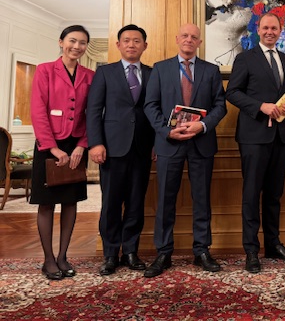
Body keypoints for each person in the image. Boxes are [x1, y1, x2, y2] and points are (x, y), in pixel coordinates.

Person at [143, 23, 227, 278]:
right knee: (166, 200)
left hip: (201, 143)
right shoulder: (161, 68)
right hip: (170, 143)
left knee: (201, 199)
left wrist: (202, 126)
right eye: (185, 36)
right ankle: (163, 252)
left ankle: (202, 251)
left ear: (199, 42)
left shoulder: (211, 71)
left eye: (194, 37)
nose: (189, 40)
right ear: (177, 39)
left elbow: (220, 106)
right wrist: (167, 131)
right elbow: (150, 106)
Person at [226, 12, 285, 273]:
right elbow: (232, 92)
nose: (270, 32)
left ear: (281, 30)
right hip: (253, 137)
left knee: (274, 194)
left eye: (275, 28)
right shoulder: (245, 58)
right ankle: (251, 250)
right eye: (266, 27)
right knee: (251, 194)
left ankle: (273, 243)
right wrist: (261, 106)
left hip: (281, 137)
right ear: (258, 29)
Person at [86, 24, 155, 276]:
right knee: (111, 203)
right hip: (111, 148)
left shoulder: (151, 73)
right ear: (118, 45)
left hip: (142, 148)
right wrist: (96, 142)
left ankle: (130, 251)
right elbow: (93, 110)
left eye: (137, 41)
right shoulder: (104, 73)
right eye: (126, 40)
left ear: (144, 46)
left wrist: (156, 143)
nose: (131, 45)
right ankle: (109, 253)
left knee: (136, 203)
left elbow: (155, 111)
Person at [30, 25, 95, 280]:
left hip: (76, 145)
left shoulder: (90, 75)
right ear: (61, 42)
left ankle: (63, 256)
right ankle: (48, 259)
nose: (76, 46)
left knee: (70, 201)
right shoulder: (45, 70)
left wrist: (82, 144)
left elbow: (94, 113)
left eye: (82, 43)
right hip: (49, 146)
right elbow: (38, 111)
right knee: (46, 203)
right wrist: (53, 148)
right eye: (72, 41)